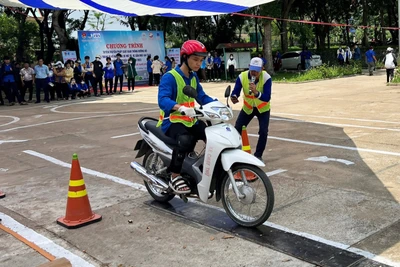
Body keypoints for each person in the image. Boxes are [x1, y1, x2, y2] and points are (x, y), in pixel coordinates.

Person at [157, 40, 215, 194]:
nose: (198, 64)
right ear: (185, 58)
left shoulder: (194, 77)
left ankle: (205, 169)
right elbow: (162, 100)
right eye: (195, 59)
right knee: (185, 140)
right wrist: (180, 107)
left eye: (201, 60)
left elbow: (202, 96)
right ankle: (175, 176)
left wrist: (218, 105)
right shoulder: (170, 77)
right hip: (172, 121)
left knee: (211, 135)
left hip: (190, 120)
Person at [230, 57, 272, 162]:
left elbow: (267, 97)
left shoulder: (266, 78)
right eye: (252, 70)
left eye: (256, 71)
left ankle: (258, 155)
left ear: (262, 69)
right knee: (237, 128)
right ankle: (233, 152)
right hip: (248, 108)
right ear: (249, 67)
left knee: (263, 131)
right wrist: (234, 96)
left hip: (263, 109)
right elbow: (236, 90)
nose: (254, 73)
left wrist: (257, 93)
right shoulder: (242, 76)